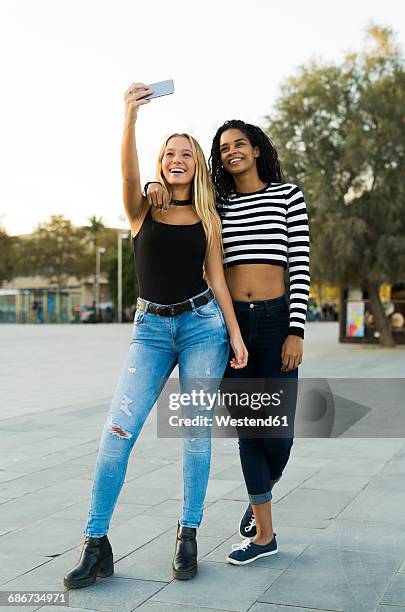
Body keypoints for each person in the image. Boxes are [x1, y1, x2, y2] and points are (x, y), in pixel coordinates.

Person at [63, 85, 248, 589]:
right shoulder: (142, 207)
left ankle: (188, 534)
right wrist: (129, 116)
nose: (177, 159)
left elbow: (218, 279)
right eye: (170, 153)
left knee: (194, 435)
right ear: (161, 164)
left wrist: (234, 334)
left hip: (201, 328)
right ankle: (95, 544)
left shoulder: (209, 218)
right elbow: (126, 172)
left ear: (198, 166)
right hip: (149, 331)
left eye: (187, 153)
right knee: (115, 435)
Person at [146, 118, 310, 565]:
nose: (230, 152)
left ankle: (260, 495)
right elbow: (177, 194)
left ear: (256, 150)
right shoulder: (214, 203)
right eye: (223, 148)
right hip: (230, 323)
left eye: (240, 144)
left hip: (278, 323)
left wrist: (296, 329)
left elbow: (301, 267)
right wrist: (150, 184)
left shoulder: (288, 196)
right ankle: (264, 534)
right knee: (249, 431)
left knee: (279, 433)